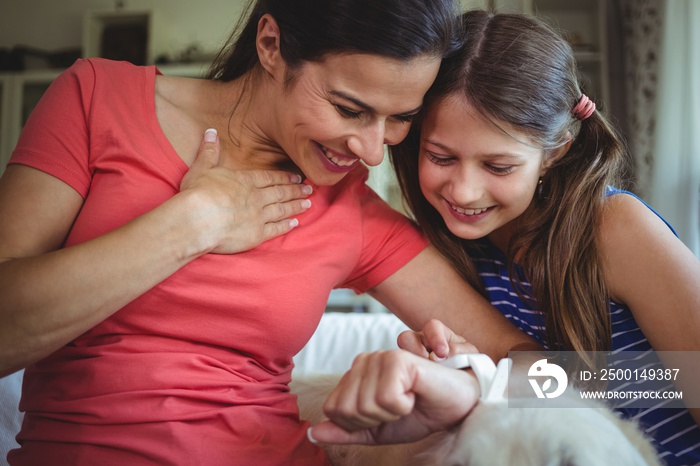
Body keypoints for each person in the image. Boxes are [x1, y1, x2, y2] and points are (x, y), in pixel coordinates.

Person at [0, 1, 541, 465]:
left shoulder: (352, 210)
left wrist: (467, 382)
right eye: (349, 109)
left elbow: (554, 375)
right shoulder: (96, 99)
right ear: (270, 43)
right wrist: (193, 222)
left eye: (400, 119)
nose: (372, 152)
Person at [385, 9, 699, 466]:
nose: (463, 191)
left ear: (554, 154)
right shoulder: (452, 251)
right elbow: (550, 388)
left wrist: (504, 378)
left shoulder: (612, 228)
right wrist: (473, 377)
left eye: (498, 166)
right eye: (440, 156)